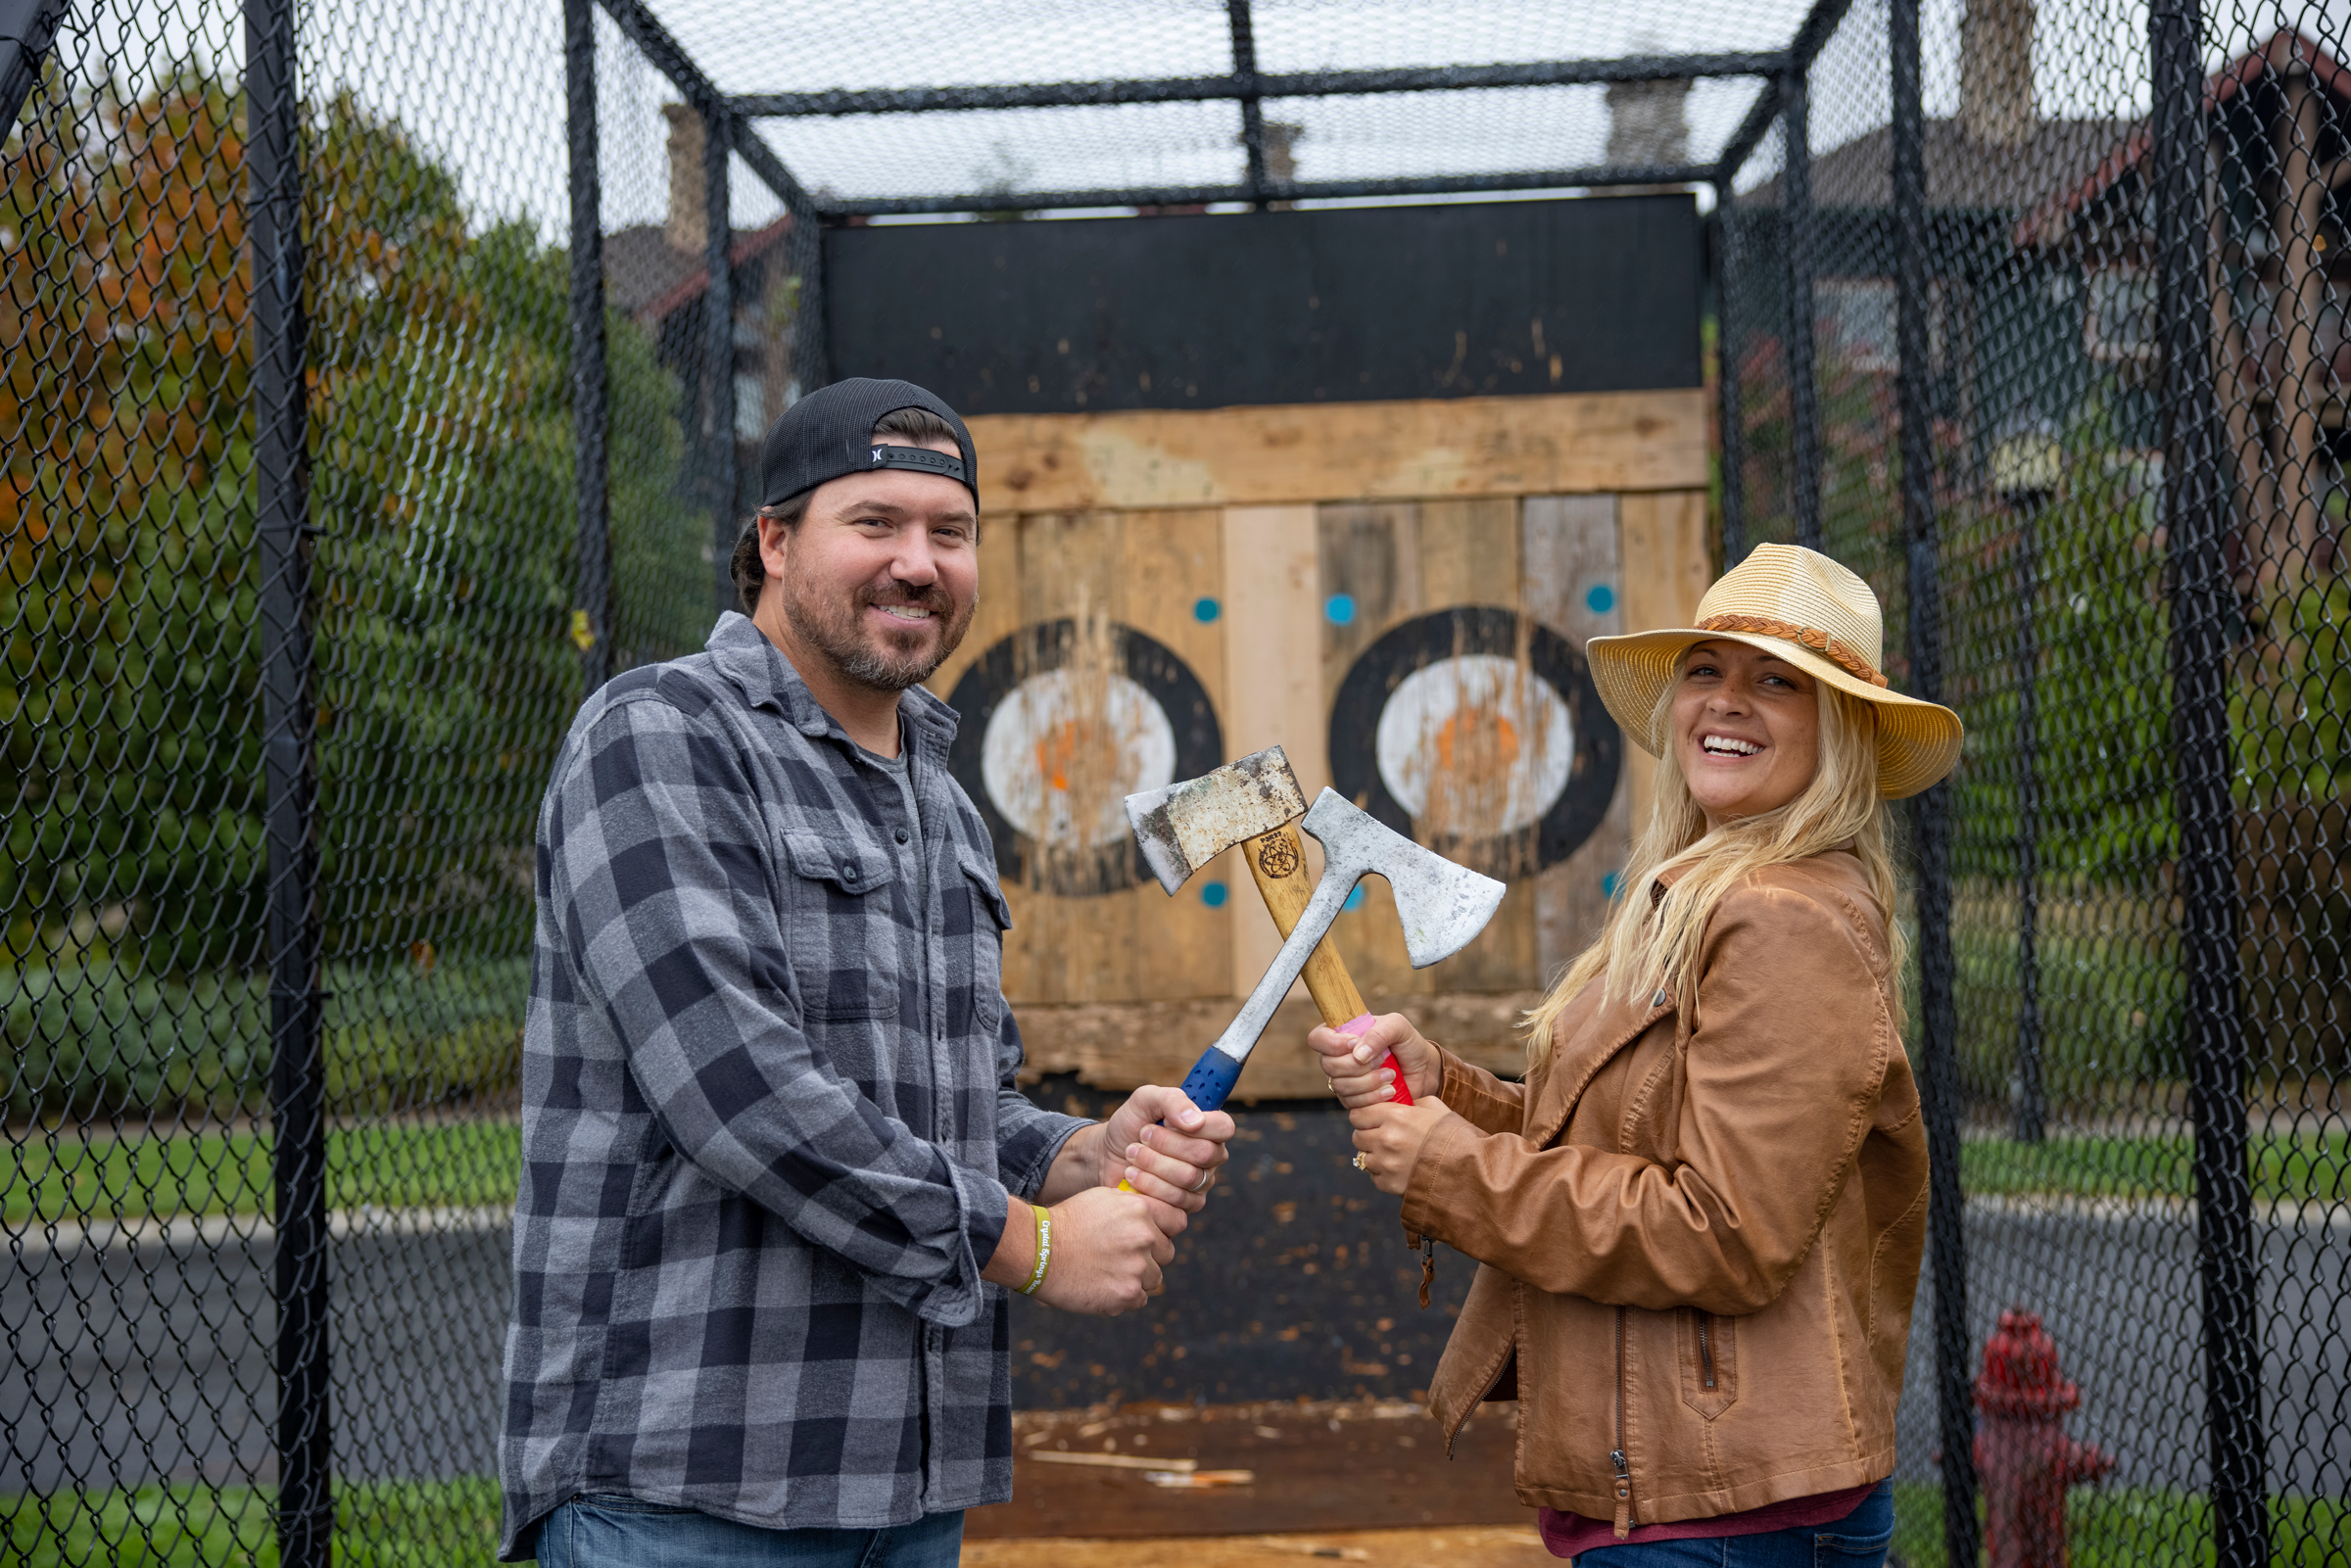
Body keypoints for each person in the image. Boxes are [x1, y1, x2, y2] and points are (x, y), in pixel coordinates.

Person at [499, 378, 1235, 1566]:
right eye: (876, 522)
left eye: (950, 532)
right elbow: (740, 1090)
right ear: (777, 542)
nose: (918, 562)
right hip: (688, 1486)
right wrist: (1033, 1245)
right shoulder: (661, 734)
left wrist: (1074, 1154)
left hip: (905, 1479)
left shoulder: (940, 804)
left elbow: (959, 1102)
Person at [1311, 544, 1963, 1568]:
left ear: (1840, 727)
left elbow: (1725, 1231)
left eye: (1778, 681)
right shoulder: (1701, 891)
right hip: (1683, 1490)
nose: (1727, 701)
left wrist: (1448, 1166)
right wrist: (1454, 1090)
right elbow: (1626, 1131)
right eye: (1707, 669)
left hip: (1727, 1511)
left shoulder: (1784, 920)